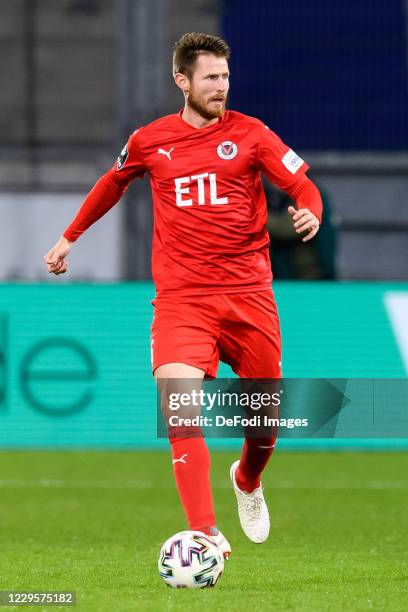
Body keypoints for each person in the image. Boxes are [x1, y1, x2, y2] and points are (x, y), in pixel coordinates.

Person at [44, 32, 322, 558]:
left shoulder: (252, 134)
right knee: (178, 409)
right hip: (182, 299)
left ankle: (247, 479)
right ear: (182, 81)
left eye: (225, 77)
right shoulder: (151, 140)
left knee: (263, 424)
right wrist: (68, 237)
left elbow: (302, 184)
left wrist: (312, 210)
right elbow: (112, 182)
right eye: (211, 78)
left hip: (248, 295)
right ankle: (205, 532)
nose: (221, 88)